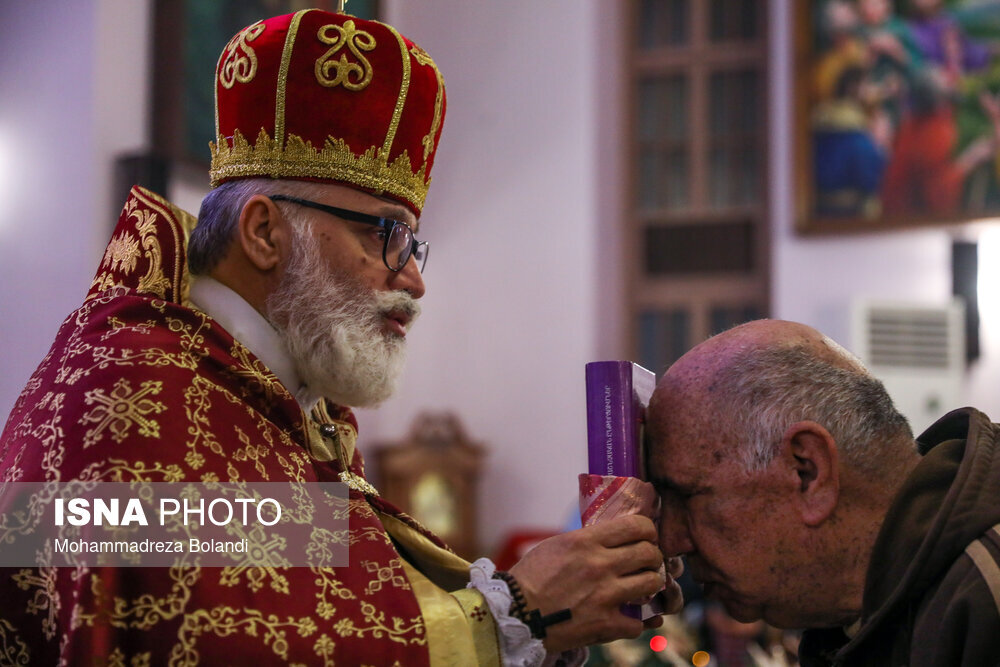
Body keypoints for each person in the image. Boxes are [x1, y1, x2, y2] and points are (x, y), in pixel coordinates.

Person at [0, 9, 677, 665]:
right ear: (265, 233)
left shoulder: (294, 409)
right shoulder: (121, 393)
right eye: (384, 234)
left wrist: (559, 606)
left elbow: (328, 609)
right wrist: (518, 613)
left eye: (414, 243)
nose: (413, 279)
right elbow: (200, 635)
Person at [647, 319, 1000, 666]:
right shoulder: (860, 614)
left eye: (688, 497)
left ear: (808, 471)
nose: (672, 540)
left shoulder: (987, 593)